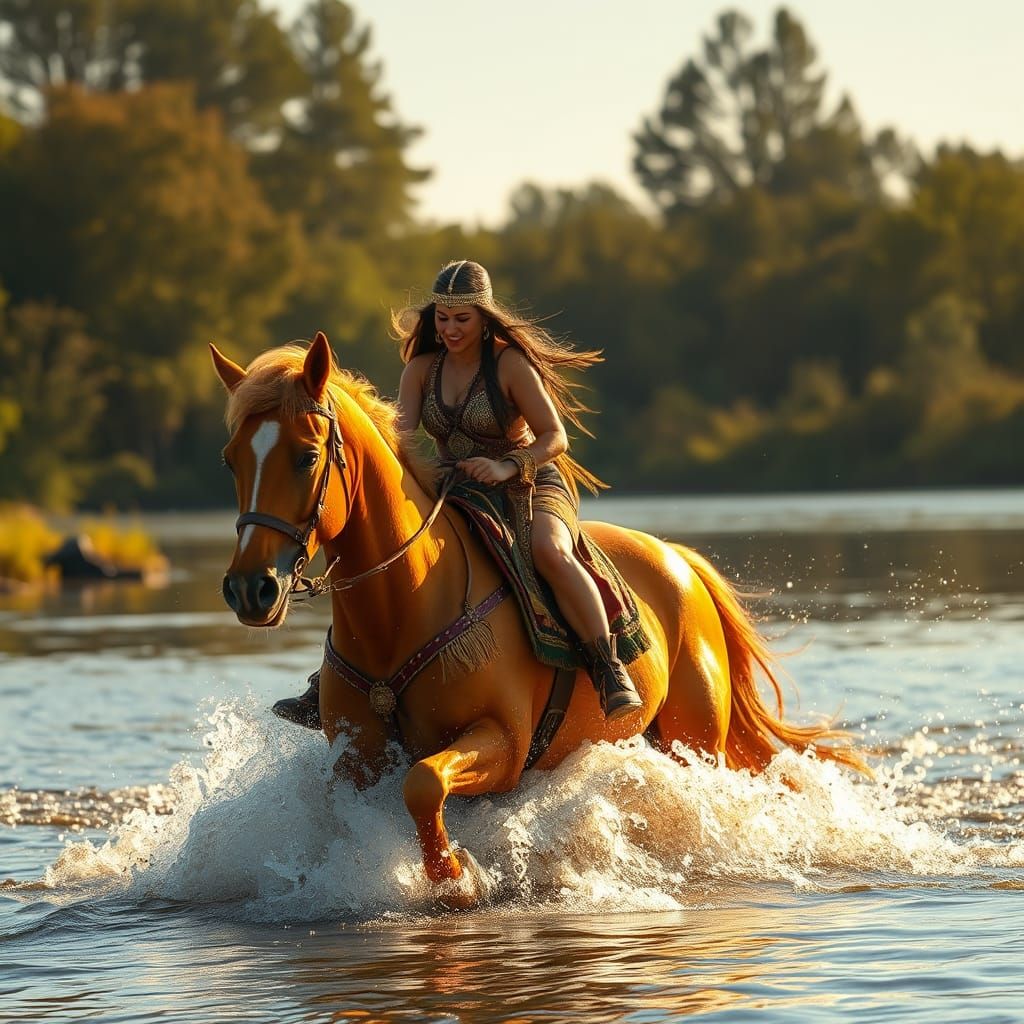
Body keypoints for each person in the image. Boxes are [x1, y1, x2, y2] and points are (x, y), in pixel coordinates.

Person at [274, 260, 646, 729]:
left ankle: (608, 666)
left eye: (462, 319)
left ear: (484, 316)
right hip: (454, 486)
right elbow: (401, 443)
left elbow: (555, 437)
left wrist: (507, 464)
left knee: (550, 551)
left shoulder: (510, 364)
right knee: (377, 563)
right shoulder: (420, 370)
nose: (450, 329)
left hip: (528, 482)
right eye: (442, 319)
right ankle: (327, 678)